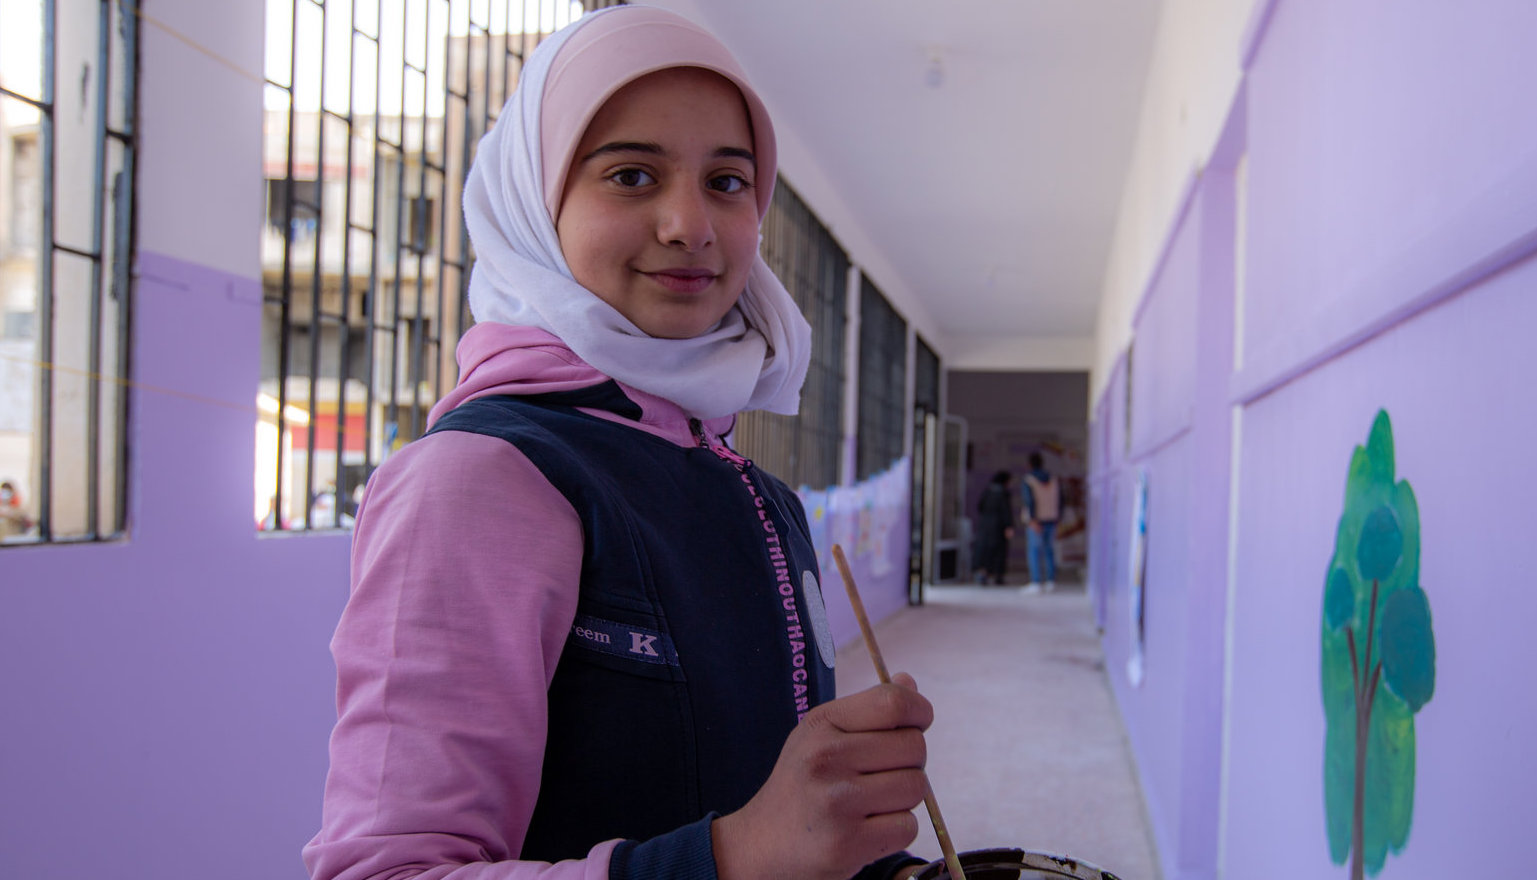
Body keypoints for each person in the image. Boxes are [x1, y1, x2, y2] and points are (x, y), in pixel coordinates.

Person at [304, 9, 933, 880]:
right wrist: (733, 856)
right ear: (537, 200)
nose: (690, 224)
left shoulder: (759, 494)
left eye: (727, 181)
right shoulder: (480, 478)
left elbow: (767, 819)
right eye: (632, 175)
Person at [1019, 452, 1060, 593]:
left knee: (1034, 551)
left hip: (1036, 520)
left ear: (1029, 465)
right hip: (1051, 519)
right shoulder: (1053, 479)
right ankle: (1051, 581)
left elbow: (1029, 500)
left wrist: (1033, 519)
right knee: (1049, 551)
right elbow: (1061, 500)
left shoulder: (1029, 480)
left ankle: (1036, 582)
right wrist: (1057, 517)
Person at [970, 470, 1014, 584]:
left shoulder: (987, 491)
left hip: (985, 526)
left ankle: (983, 574)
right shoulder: (1003, 494)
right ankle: (998, 576)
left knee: (984, 551)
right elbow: (1006, 511)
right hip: (998, 527)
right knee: (999, 552)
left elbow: (980, 507)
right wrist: (1009, 526)